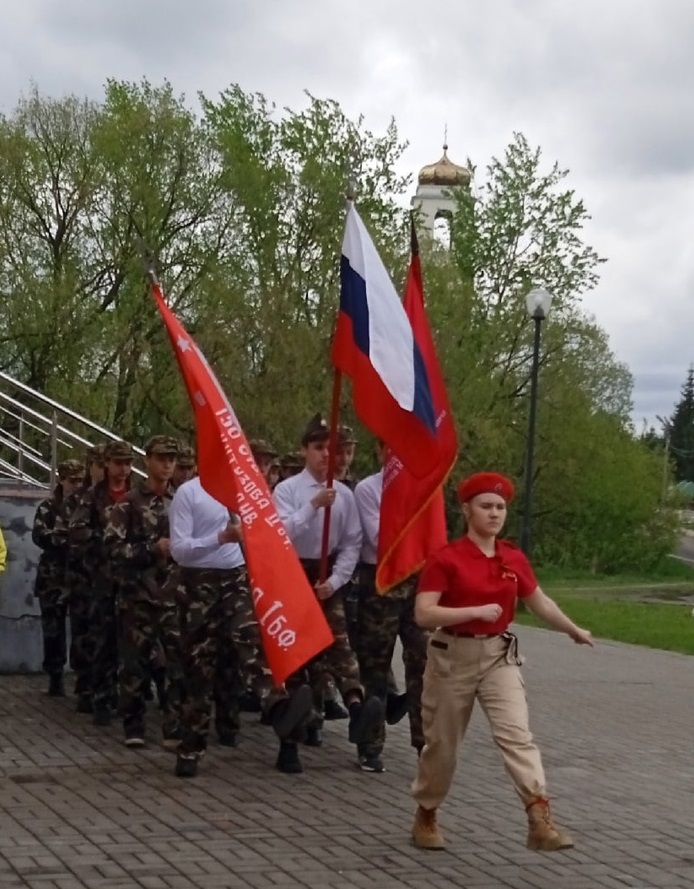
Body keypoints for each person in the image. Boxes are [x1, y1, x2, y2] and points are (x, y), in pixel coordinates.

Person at [410, 472, 593, 853]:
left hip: (498, 656)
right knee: (442, 746)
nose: (494, 513)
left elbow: (538, 600)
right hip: (451, 659)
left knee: (516, 735)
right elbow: (424, 615)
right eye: (486, 506)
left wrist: (572, 629)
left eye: (500, 507)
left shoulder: (513, 557)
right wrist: (472, 610)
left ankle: (539, 817)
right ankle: (427, 812)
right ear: (466, 510)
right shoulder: (447, 558)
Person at [169, 472, 312, 777]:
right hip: (198, 584)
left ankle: (277, 707)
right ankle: (191, 747)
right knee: (199, 666)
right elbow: (179, 550)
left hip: (235, 577)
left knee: (250, 639)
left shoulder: (246, 492)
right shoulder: (189, 493)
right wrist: (220, 538)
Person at [273, 413, 383, 769]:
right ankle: (289, 743)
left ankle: (356, 708)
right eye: (319, 447)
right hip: (292, 574)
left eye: (332, 449)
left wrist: (334, 581)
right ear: (305, 450)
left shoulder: (346, 496)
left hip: (325, 575)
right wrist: (313, 506)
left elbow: (352, 543)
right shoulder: (287, 490)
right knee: (296, 657)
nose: (326, 455)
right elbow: (281, 533)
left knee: (340, 647)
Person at [104, 435, 183, 748]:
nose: (167, 464)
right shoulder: (130, 503)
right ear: (147, 460)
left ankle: (172, 725)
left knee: (173, 663)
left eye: (172, 459)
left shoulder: (182, 501)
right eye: (161, 458)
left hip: (173, 595)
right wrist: (151, 550)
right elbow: (112, 548)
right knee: (135, 663)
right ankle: (134, 724)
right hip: (138, 595)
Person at [353, 440, 428, 773]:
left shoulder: (424, 487)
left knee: (423, 664)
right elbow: (377, 537)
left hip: (417, 583)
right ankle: (370, 745)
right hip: (380, 583)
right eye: (391, 448)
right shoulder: (368, 489)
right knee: (376, 667)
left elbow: (432, 536)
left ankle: (424, 744)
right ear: (381, 452)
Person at [69, 440, 134, 725]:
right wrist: (105, 539)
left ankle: (130, 699)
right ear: (106, 464)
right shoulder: (92, 496)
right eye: (118, 463)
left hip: (132, 578)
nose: (123, 469)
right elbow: (77, 529)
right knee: (102, 639)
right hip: (101, 578)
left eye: (128, 463)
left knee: (131, 642)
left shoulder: (135, 496)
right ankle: (101, 698)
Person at [32, 459, 85, 696]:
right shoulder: (48, 507)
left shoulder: (85, 506)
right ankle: (55, 675)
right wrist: (68, 538)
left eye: (80, 481)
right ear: (61, 480)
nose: (76, 485)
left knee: (81, 629)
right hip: (52, 577)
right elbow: (41, 535)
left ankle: (81, 676)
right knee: (53, 630)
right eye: (72, 480)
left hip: (77, 575)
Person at [67, 444, 106, 712]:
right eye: (99, 464)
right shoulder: (79, 498)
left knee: (106, 636)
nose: (104, 470)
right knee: (83, 632)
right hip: (83, 575)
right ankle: (84, 685)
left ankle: (105, 688)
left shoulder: (123, 497)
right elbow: (73, 533)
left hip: (110, 578)